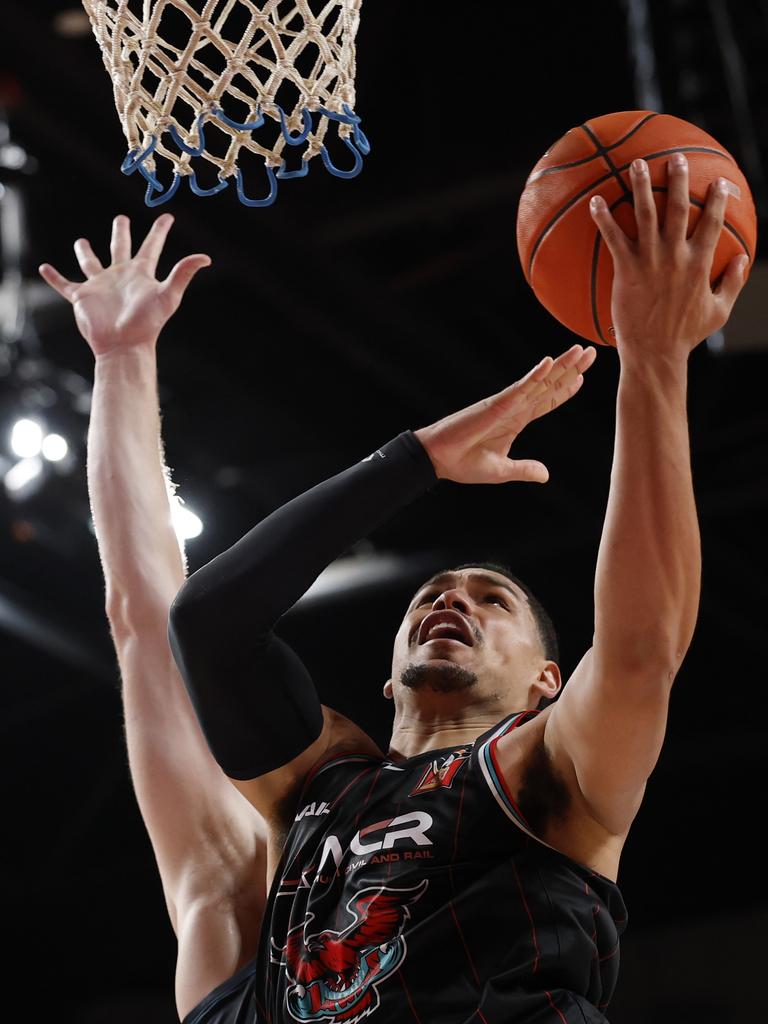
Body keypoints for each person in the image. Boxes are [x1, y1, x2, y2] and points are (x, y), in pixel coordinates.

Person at [43, 150, 747, 1023]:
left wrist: (654, 358)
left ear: (546, 683)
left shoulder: (549, 773)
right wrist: (122, 357)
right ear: (384, 680)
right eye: (432, 595)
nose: (451, 599)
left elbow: (643, 645)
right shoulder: (285, 834)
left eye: (494, 600)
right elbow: (178, 624)